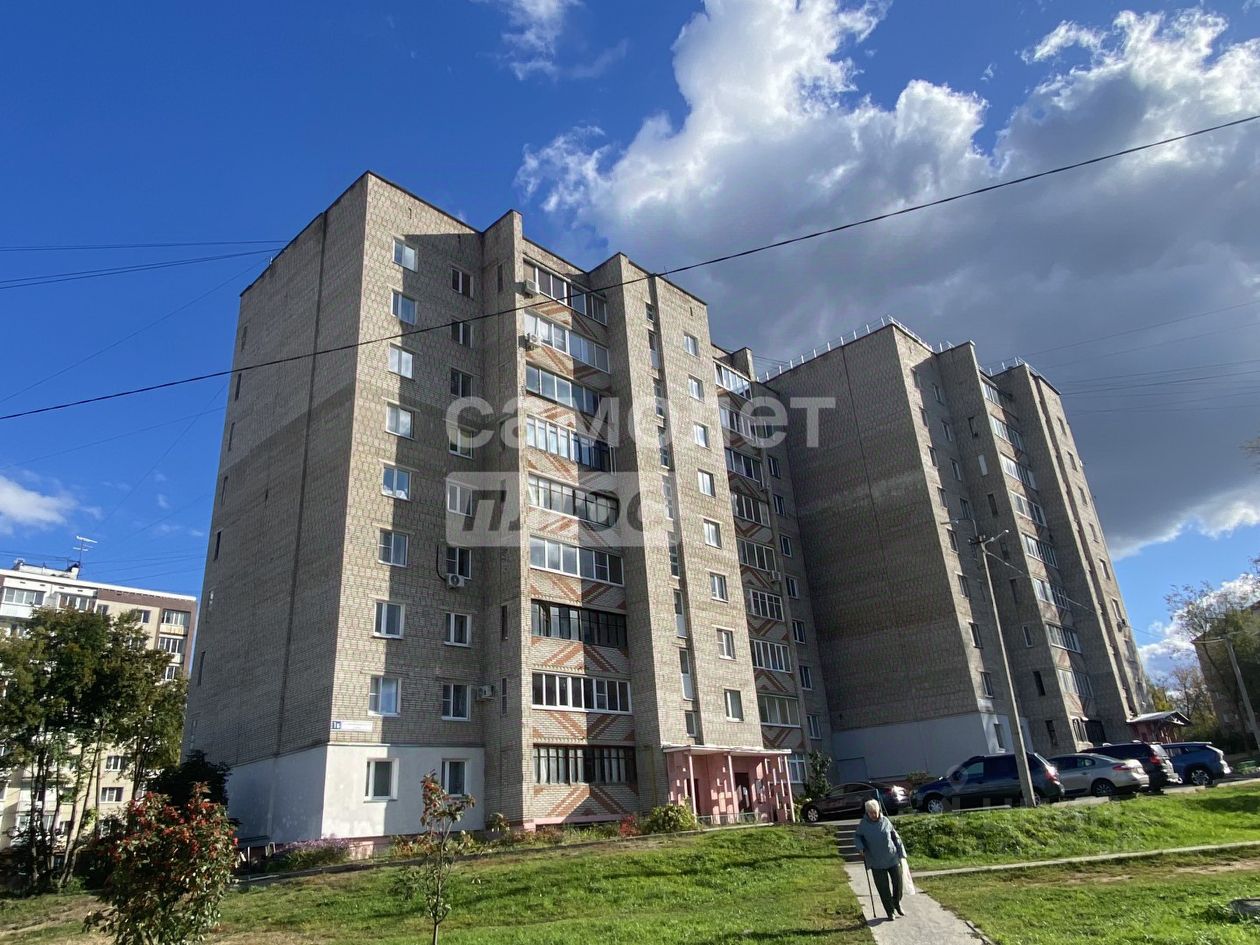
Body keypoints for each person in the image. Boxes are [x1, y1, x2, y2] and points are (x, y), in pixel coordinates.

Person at [853, 797, 906, 920]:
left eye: (875, 812)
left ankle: (897, 903)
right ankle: (890, 911)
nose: (874, 815)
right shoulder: (864, 824)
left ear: (879, 810)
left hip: (892, 858)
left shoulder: (885, 821)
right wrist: (860, 847)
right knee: (883, 888)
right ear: (867, 812)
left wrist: (901, 852)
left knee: (898, 883)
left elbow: (895, 836)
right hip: (876, 861)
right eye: (871, 813)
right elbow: (857, 836)